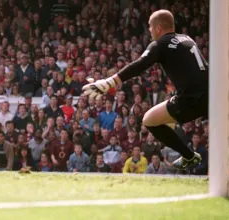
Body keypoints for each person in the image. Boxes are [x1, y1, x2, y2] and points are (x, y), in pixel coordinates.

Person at [83, 10, 208, 170]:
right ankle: (190, 156)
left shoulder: (160, 44)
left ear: (158, 28)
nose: (149, 30)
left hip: (192, 98)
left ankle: (189, 156)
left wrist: (109, 82)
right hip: (211, 93)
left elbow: (140, 65)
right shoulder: (187, 39)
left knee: (149, 120)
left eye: (150, 27)